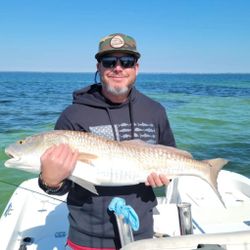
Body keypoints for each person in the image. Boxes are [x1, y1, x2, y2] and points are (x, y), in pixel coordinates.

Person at [39, 33, 176, 250]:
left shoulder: (155, 111)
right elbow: (62, 183)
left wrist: (165, 178)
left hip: (142, 230)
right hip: (87, 234)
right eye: (109, 62)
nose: (118, 68)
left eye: (127, 62)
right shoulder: (73, 116)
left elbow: (170, 158)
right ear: (99, 67)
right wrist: (50, 181)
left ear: (136, 68)